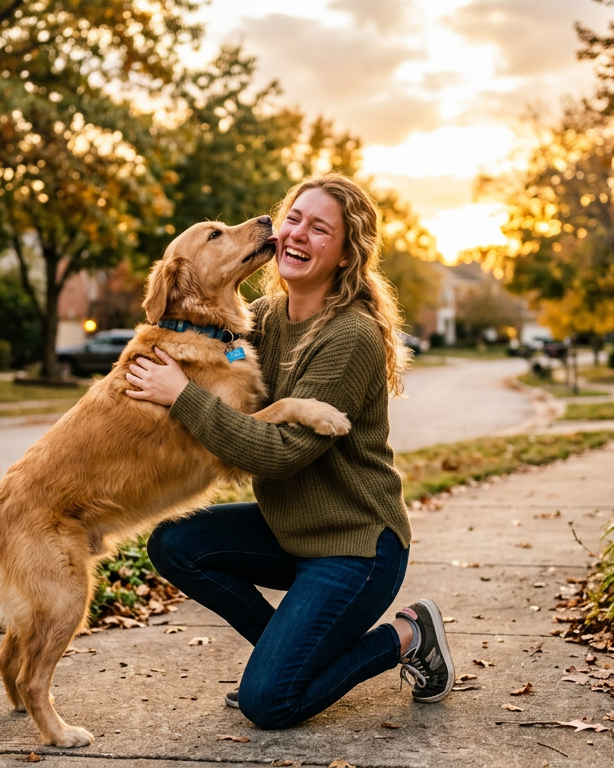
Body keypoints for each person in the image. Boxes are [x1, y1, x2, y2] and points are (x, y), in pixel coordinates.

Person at [124, 174, 455, 730]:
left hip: (355, 546)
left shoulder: (350, 336)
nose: (297, 233)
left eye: (320, 228)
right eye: (294, 218)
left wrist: (181, 396)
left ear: (347, 254)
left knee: (269, 703)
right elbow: (232, 392)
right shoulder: (268, 320)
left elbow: (279, 453)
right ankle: (291, 657)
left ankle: (409, 634)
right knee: (176, 543)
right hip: (289, 530)